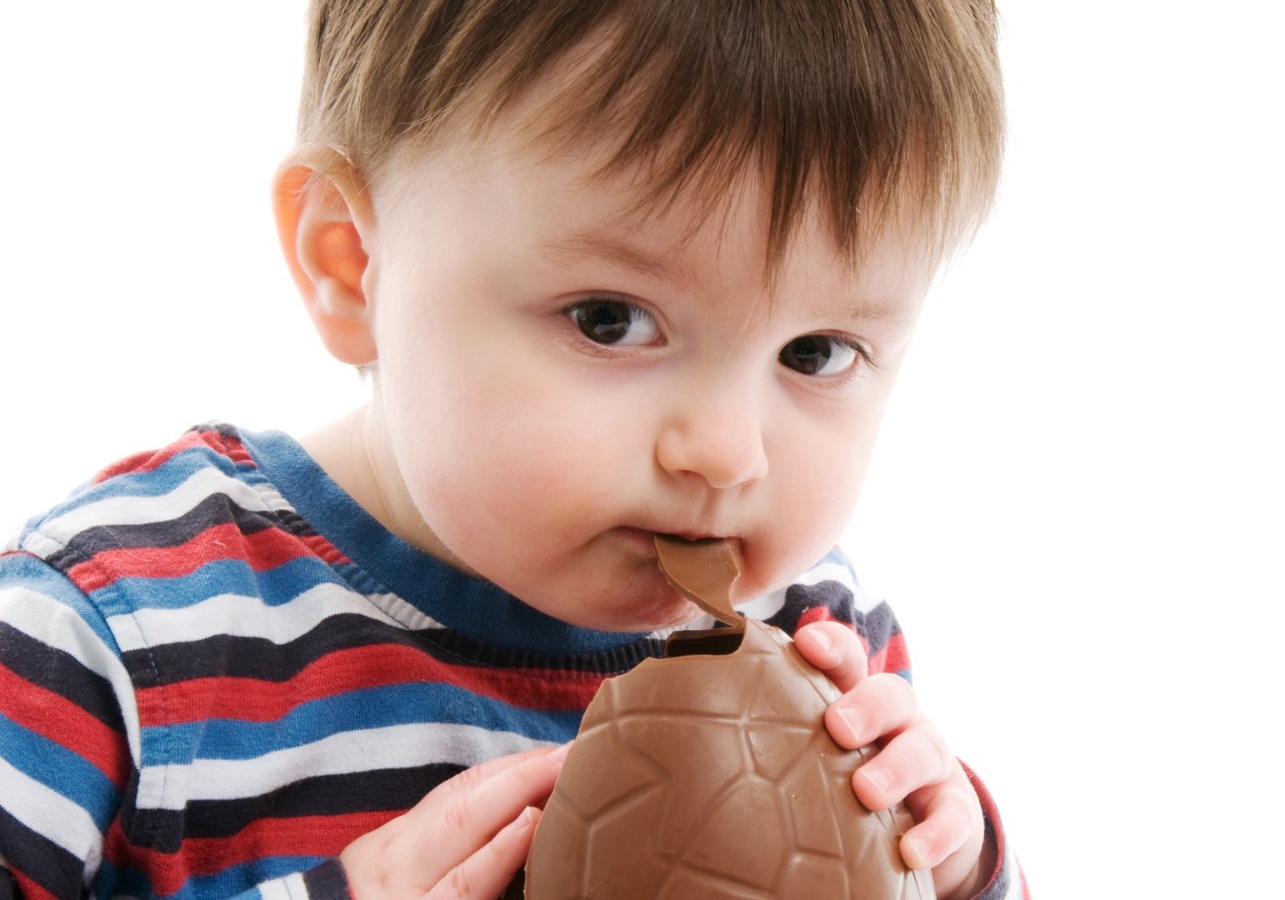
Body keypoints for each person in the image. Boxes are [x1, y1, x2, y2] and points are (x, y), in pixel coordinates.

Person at [0, 1, 1022, 897]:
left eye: (816, 350)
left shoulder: (822, 652)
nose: (725, 452)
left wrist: (951, 862)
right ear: (353, 264)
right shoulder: (112, 640)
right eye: (610, 320)